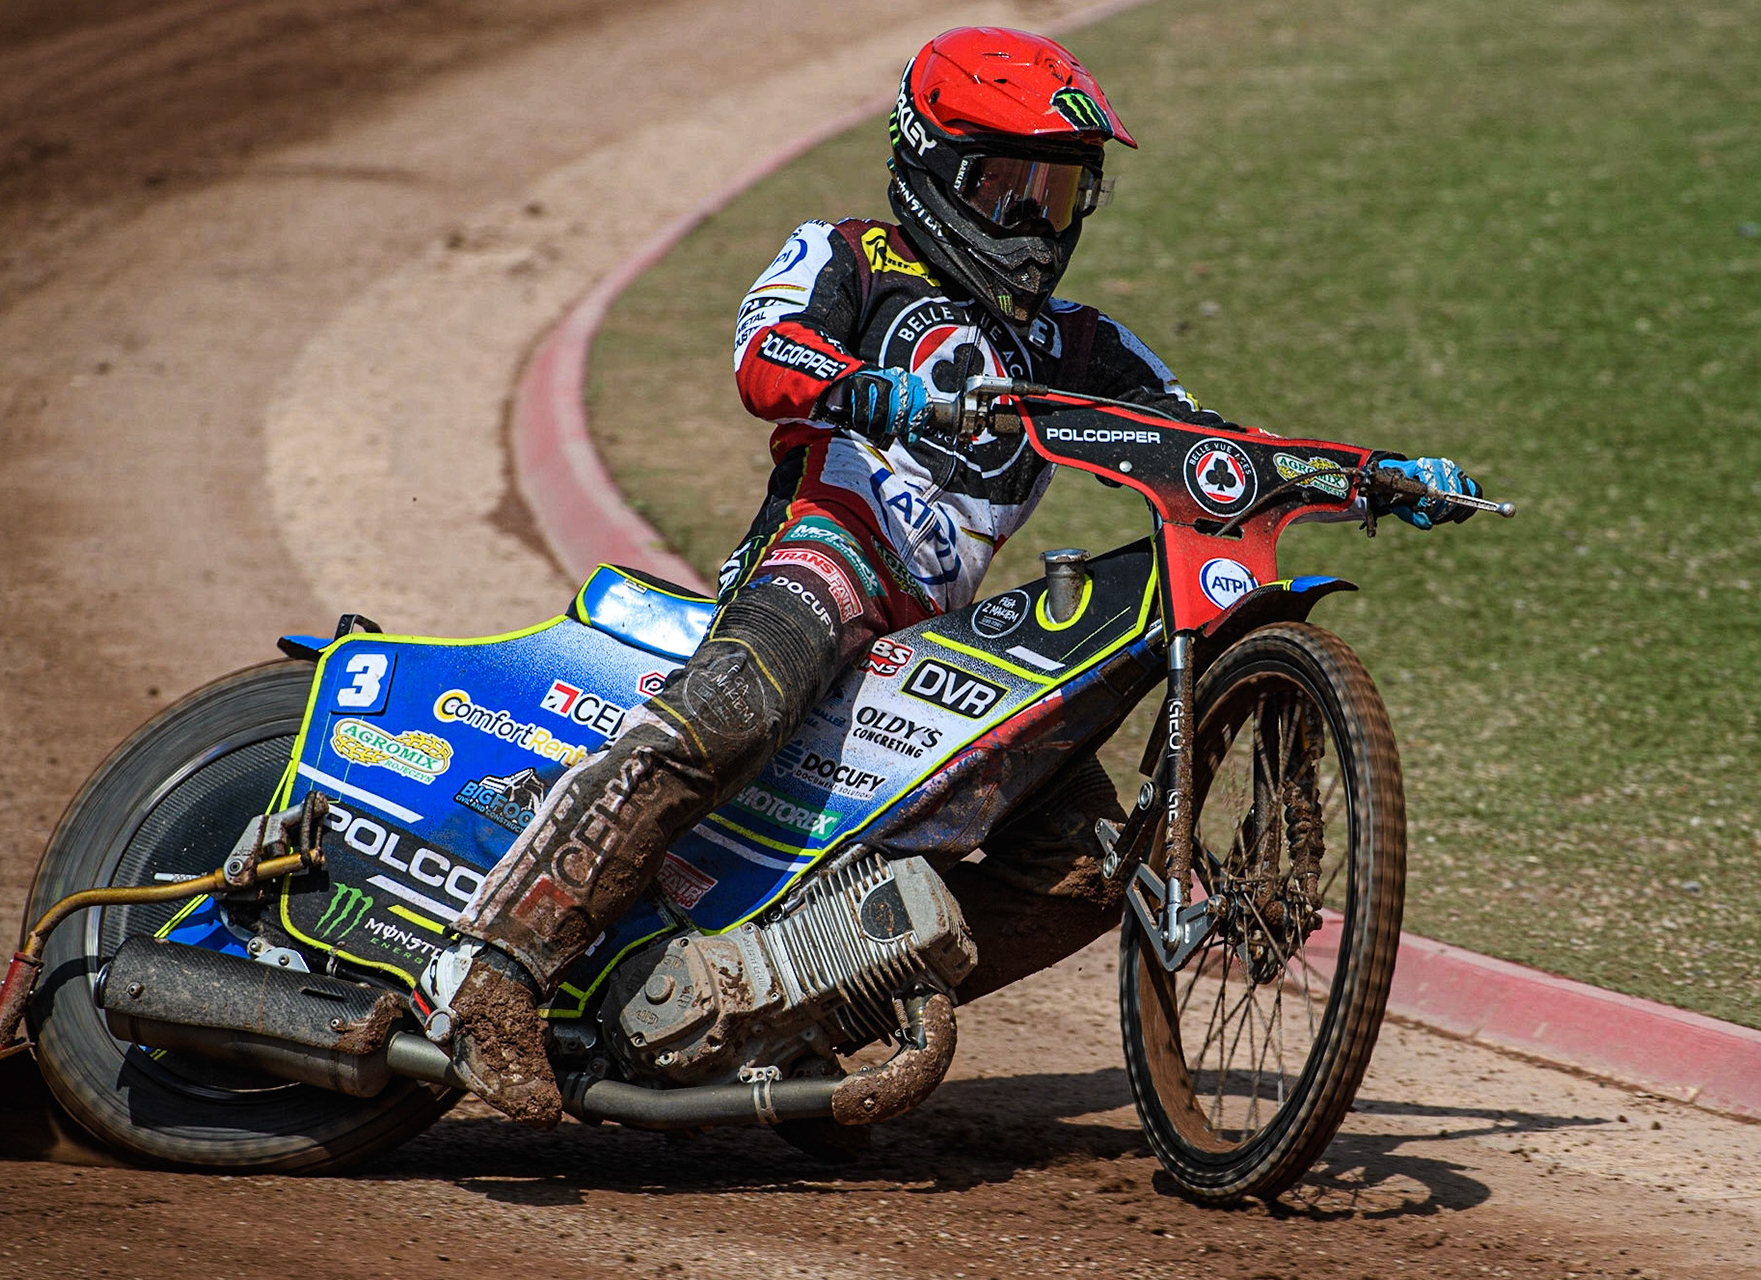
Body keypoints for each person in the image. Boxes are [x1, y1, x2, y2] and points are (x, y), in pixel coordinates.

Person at [415, 27, 1480, 1128]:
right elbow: (764, 355)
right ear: (928, 164)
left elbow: (1213, 448)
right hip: (822, 557)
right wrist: (862, 388)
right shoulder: (853, 257)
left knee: (1081, 867)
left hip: (941, 637)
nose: (1030, 221)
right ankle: (492, 968)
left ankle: (802, 1014)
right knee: (731, 711)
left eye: (1057, 194)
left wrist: (1373, 477)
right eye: (1005, 185)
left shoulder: (1076, 345)